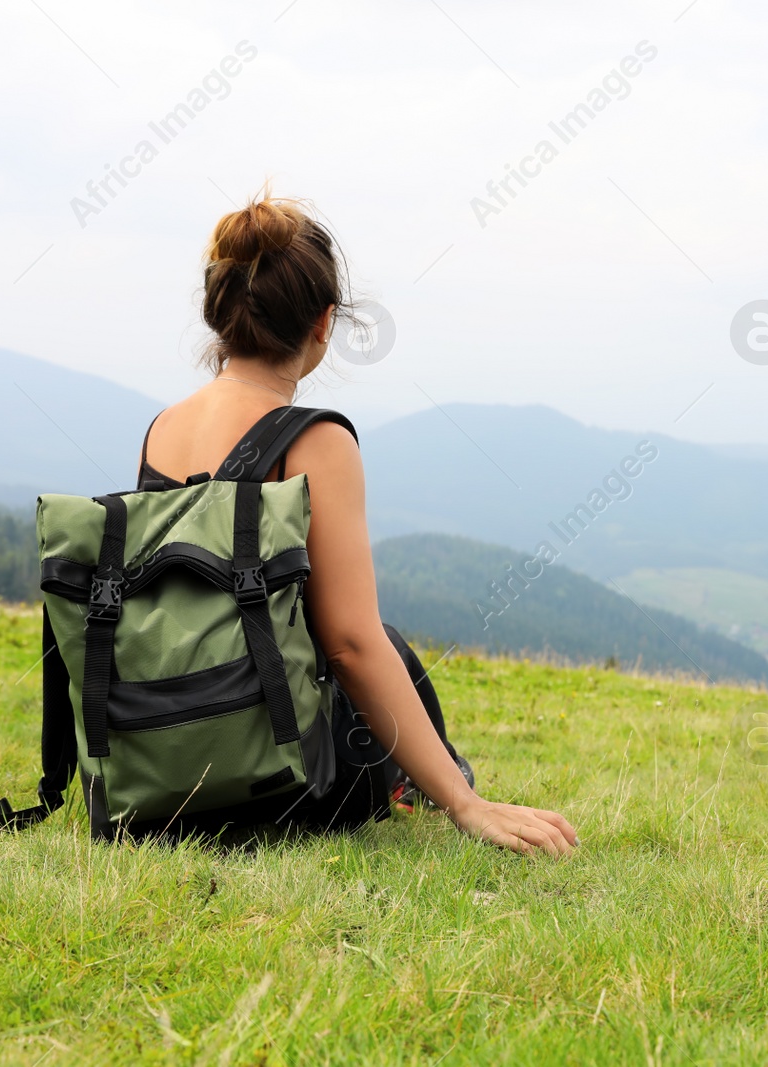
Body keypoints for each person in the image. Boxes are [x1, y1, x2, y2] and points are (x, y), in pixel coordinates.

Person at [135, 196, 577, 857]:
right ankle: (439, 783)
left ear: (221, 311)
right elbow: (348, 644)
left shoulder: (162, 428)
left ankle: (427, 779)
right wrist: (468, 808)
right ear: (322, 322)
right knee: (385, 642)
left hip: (159, 763)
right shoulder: (314, 440)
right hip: (271, 784)